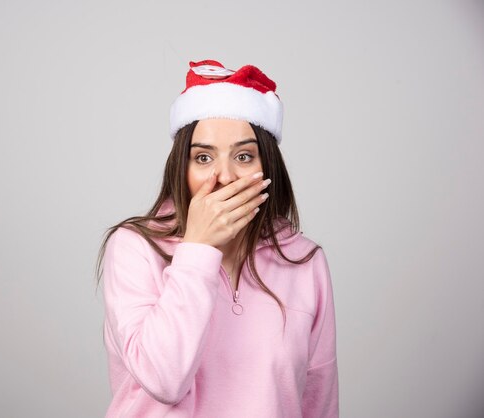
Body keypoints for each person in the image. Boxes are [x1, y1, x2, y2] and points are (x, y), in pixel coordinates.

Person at [95, 59, 339, 417]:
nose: (223, 177)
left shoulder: (304, 260)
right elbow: (164, 379)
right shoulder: (135, 247)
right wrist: (198, 249)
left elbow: (319, 399)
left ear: (267, 166)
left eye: (243, 156)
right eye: (203, 157)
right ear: (183, 166)